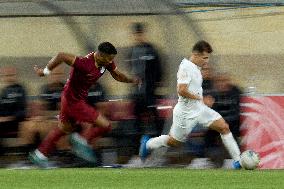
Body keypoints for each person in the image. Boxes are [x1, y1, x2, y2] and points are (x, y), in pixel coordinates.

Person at [29, 42, 140, 168]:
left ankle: (39, 154)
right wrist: (44, 72)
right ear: (100, 55)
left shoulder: (106, 62)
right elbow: (61, 56)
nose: (110, 62)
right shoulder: (84, 63)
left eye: (112, 59)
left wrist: (131, 80)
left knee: (64, 129)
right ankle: (81, 140)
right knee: (106, 125)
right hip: (73, 101)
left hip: (70, 98)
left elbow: (117, 75)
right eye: (109, 59)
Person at [139, 40, 242, 169]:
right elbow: (181, 90)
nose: (206, 61)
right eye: (204, 57)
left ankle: (238, 161)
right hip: (186, 112)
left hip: (199, 109)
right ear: (196, 54)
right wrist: (200, 98)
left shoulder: (196, 67)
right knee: (174, 142)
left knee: (223, 127)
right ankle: (148, 143)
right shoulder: (185, 67)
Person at [127, 22, 163, 155]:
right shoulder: (131, 51)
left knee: (155, 123)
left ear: (143, 34)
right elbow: (129, 71)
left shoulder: (152, 50)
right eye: (136, 34)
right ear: (134, 35)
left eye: (140, 33)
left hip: (150, 93)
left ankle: (159, 152)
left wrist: (154, 85)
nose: (138, 36)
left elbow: (159, 70)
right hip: (137, 95)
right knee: (136, 124)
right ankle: (137, 154)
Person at [204, 72, 242, 167]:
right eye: (219, 81)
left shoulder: (235, 92)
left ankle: (234, 159)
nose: (221, 84)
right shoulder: (212, 94)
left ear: (229, 82)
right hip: (217, 124)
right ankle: (212, 158)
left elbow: (236, 113)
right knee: (209, 133)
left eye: (224, 81)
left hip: (232, 124)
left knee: (228, 131)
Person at [0, 67, 27, 154]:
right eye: (7, 75)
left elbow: (22, 111)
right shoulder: (4, 91)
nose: (9, 78)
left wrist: (8, 118)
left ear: (16, 76)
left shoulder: (20, 90)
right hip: (4, 122)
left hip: (17, 122)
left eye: (11, 75)